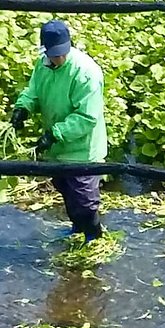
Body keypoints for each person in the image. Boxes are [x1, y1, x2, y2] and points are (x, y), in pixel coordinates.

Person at [10, 19, 107, 242]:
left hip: (82, 149)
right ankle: (77, 230)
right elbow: (33, 91)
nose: (58, 58)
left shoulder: (86, 73)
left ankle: (94, 237)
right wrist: (23, 108)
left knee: (84, 199)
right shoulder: (42, 65)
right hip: (57, 149)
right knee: (64, 188)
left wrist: (55, 133)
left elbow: (86, 117)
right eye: (53, 54)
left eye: (61, 53)